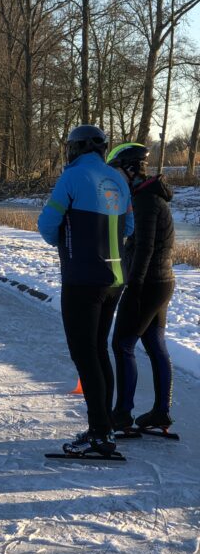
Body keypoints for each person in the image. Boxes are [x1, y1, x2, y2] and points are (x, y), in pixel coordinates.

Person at [38, 125, 133, 458]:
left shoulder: (72, 177)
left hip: (82, 279)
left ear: (75, 149)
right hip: (115, 278)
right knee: (98, 350)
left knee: (84, 354)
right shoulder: (119, 179)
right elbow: (130, 228)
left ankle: (99, 433)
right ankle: (104, 425)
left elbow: (46, 227)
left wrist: (67, 236)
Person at [107, 143, 175, 433]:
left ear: (131, 169)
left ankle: (122, 414)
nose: (115, 177)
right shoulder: (149, 196)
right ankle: (161, 412)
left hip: (147, 285)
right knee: (155, 346)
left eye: (117, 171)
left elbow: (145, 248)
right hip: (162, 283)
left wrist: (133, 287)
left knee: (122, 345)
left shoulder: (145, 201)